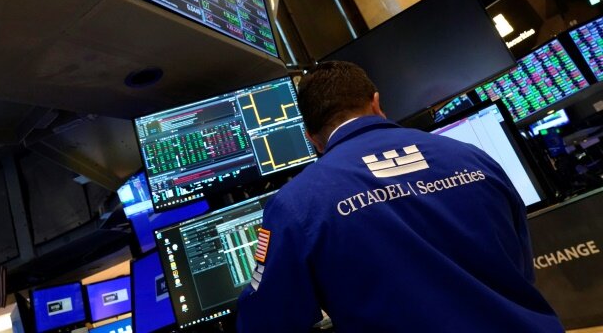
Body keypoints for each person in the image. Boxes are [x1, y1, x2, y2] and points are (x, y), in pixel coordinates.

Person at [236, 61, 563, 332]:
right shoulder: (473, 157)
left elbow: (267, 321)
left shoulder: (295, 204)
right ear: (376, 103)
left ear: (312, 140)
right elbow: (521, 269)